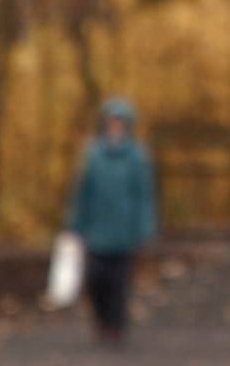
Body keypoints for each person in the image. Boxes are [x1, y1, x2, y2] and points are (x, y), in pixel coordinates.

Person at [64, 97, 158, 346]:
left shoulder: (137, 156)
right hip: (96, 230)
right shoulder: (93, 154)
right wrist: (75, 224)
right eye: (111, 122)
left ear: (127, 125)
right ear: (104, 124)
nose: (115, 126)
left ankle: (116, 325)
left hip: (124, 232)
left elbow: (144, 196)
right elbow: (82, 192)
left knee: (119, 283)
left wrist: (144, 229)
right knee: (95, 280)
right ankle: (101, 319)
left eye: (120, 122)